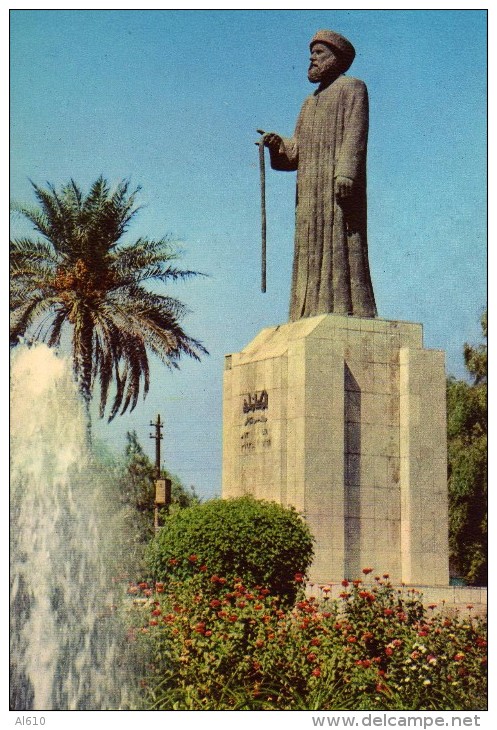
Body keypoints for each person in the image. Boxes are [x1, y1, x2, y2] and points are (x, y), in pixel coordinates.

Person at [262, 29, 377, 321]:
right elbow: (295, 153)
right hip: (310, 191)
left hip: (337, 186)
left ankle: (343, 308)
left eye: (319, 53)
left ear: (337, 58)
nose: (312, 59)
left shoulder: (353, 88)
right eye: (311, 53)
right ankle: (308, 310)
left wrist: (346, 174)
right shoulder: (308, 103)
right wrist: (278, 145)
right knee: (309, 249)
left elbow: (356, 133)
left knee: (340, 244)